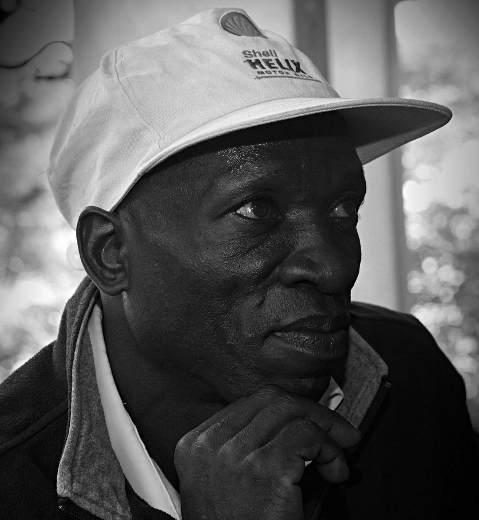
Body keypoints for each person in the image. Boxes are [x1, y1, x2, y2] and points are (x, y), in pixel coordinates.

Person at [1, 7, 478, 520]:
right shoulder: (13, 480)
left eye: (343, 210)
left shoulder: (407, 375)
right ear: (109, 253)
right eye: (255, 210)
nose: (334, 269)